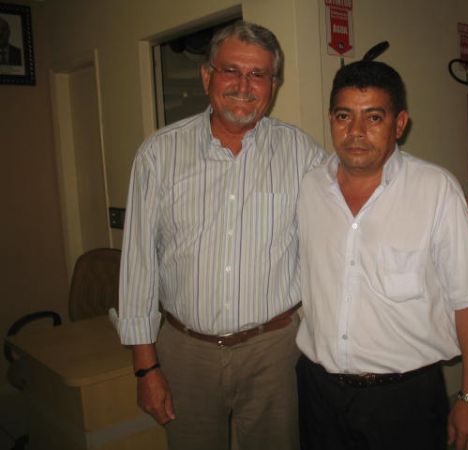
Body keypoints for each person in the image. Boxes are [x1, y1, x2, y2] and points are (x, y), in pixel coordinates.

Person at [112, 21, 324, 450]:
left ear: (273, 85)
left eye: (258, 74)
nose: (244, 86)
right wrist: (145, 368)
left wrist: (426, 203)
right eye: (231, 70)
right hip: (185, 352)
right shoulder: (159, 155)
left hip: (273, 351)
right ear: (207, 75)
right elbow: (138, 265)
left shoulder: (302, 154)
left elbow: (353, 206)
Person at [295, 60, 468, 450]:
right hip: (319, 392)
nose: (356, 131)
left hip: (405, 399)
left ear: (399, 123)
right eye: (344, 116)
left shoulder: (435, 190)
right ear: (331, 119)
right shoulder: (308, 189)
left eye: (374, 117)